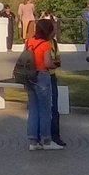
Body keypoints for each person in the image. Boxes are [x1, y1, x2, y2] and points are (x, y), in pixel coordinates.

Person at [23, 18, 62, 150]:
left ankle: (32, 141)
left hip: (29, 76)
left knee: (33, 109)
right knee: (45, 109)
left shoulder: (29, 41)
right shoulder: (46, 44)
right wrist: (54, 64)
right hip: (42, 76)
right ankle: (46, 140)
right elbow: (47, 63)